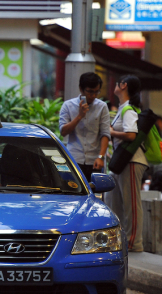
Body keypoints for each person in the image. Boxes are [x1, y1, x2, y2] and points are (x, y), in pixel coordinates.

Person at [107, 75, 147, 252]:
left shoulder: (128, 110)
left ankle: (134, 243)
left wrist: (111, 132)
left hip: (131, 161)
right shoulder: (124, 108)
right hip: (123, 162)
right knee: (116, 202)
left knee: (131, 204)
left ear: (123, 86)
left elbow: (131, 135)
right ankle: (122, 240)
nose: (115, 86)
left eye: (117, 83)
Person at [59, 72, 111, 181]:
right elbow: (63, 131)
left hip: (95, 161)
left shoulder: (102, 107)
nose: (93, 95)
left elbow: (105, 133)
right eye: (90, 92)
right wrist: (79, 116)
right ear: (81, 89)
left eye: (96, 92)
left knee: (95, 193)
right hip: (74, 159)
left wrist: (101, 157)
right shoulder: (68, 105)